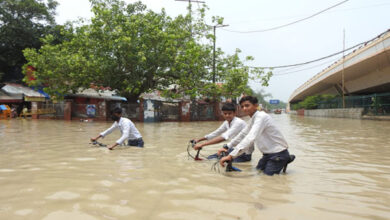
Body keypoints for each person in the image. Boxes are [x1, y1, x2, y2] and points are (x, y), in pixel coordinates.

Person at [219, 96, 295, 175]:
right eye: (242, 106)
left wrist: (231, 155)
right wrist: (227, 146)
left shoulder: (261, 117)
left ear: (256, 105)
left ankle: (285, 158)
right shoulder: (253, 119)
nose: (244, 108)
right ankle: (286, 158)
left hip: (278, 154)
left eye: (247, 105)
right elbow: (243, 134)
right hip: (267, 155)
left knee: (267, 178)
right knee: (257, 172)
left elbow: (250, 138)